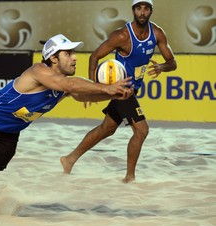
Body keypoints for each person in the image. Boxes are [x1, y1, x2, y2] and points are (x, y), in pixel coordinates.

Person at [0, 34, 134, 215]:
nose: (74, 57)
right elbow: (69, 84)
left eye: (73, 53)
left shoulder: (63, 87)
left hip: (9, 131)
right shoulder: (38, 71)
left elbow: (81, 94)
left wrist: (115, 94)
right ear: (53, 58)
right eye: (68, 53)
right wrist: (107, 88)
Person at [60, 0, 177, 183]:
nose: (142, 12)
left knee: (107, 129)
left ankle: (69, 159)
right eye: (138, 8)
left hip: (133, 89)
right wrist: (93, 87)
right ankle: (129, 177)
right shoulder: (122, 36)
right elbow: (94, 57)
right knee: (142, 130)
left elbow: (173, 63)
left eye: (146, 8)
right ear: (133, 10)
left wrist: (162, 66)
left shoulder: (157, 33)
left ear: (151, 11)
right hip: (121, 89)